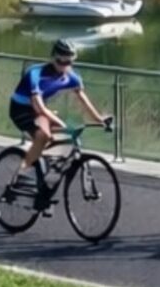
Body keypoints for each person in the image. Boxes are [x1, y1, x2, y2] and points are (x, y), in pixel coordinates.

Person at [7, 39, 112, 207]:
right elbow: (39, 108)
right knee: (45, 135)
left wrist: (100, 119)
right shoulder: (35, 73)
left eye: (68, 61)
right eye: (60, 60)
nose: (64, 64)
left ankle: (44, 169)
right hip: (20, 110)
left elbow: (84, 101)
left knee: (66, 138)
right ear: (52, 58)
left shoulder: (72, 77)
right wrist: (60, 123)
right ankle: (24, 174)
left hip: (38, 110)